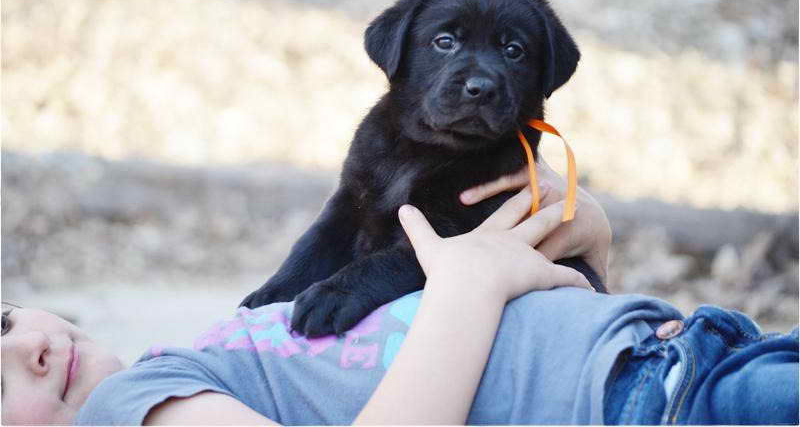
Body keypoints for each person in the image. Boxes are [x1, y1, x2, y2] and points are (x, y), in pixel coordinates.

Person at [2, 161, 797, 425]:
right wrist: (469, 286)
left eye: (2, 320)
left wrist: (584, 254)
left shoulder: (187, 365)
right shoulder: (124, 407)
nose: (27, 347)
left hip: (671, 362)